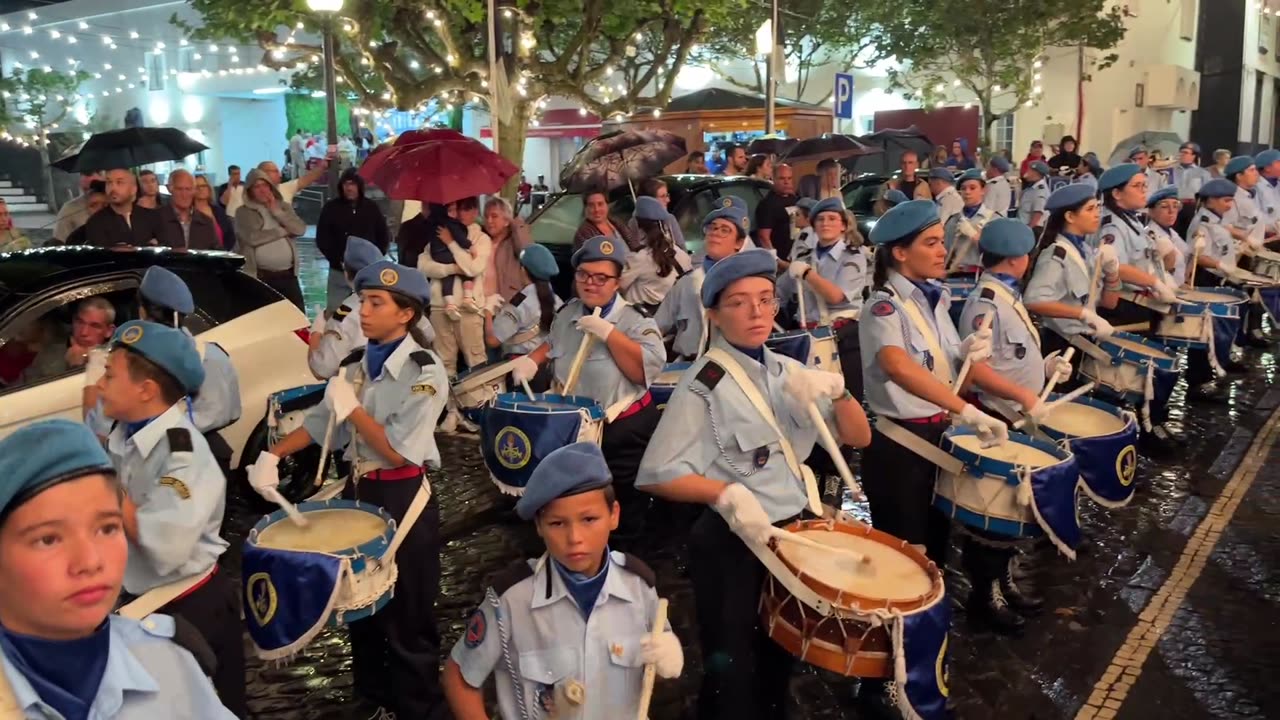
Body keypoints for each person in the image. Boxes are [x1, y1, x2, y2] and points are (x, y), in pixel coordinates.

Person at [637, 249, 869, 718]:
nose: (757, 312)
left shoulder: (787, 372)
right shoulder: (703, 383)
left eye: (765, 299)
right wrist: (723, 493)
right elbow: (656, 474)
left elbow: (858, 436)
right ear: (716, 315)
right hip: (734, 543)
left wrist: (839, 390)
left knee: (780, 649)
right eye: (740, 302)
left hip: (792, 535)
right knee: (730, 663)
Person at [251, 259, 448, 719]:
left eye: (376, 302)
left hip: (404, 497)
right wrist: (273, 455)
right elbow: (322, 425)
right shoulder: (353, 365)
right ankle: (373, 700)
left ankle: (418, 708)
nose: (364, 310)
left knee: (408, 615)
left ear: (406, 314)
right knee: (363, 610)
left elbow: (399, 451)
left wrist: (354, 410)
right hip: (360, 495)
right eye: (364, 300)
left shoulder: (425, 370)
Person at [858, 201, 1048, 649]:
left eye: (941, 241)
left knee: (936, 547)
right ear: (899, 253)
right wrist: (967, 410)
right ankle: (891, 658)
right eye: (931, 243)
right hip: (902, 449)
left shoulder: (934, 299)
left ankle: (926, 641)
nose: (943, 251)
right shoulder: (883, 307)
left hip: (935, 438)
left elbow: (937, 363)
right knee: (905, 555)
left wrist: (964, 353)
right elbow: (899, 366)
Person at [0, 419, 236, 719]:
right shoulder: (122, 439)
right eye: (48, 539)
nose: (90, 561)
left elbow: (172, 540)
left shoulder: (166, 662)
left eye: (107, 528)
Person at [443, 442, 682, 719]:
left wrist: (667, 659)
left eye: (589, 519)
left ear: (613, 515)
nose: (575, 538)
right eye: (557, 523)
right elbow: (459, 677)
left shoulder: (639, 586)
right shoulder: (511, 599)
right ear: (539, 526)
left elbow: (653, 669)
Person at [94, 320, 246, 716]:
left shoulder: (184, 452)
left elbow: (166, 541)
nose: (100, 386)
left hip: (187, 606)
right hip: (144, 599)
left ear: (146, 390)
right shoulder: (126, 434)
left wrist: (101, 480)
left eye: (110, 376)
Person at [956, 220, 1073, 632]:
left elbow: (1011, 357)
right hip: (996, 418)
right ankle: (984, 596)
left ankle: (1003, 583)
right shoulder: (986, 301)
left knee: (1011, 514)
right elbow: (974, 372)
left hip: (1016, 414)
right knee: (990, 516)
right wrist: (1025, 396)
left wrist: (1044, 369)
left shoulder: (1005, 295)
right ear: (1017, 259)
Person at [511, 236, 665, 493]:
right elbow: (553, 341)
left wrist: (609, 334)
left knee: (621, 502)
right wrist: (532, 360)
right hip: (574, 425)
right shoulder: (569, 311)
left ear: (617, 283)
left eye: (601, 278)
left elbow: (642, 373)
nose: (590, 283)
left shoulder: (636, 321)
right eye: (583, 275)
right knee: (577, 493)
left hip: (619, 429)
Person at [85, 267, 242, 469]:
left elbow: (99, 425)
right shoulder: (211, 356)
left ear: (141, 311)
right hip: (200, 458)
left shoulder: (122, 357)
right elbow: (229, 412)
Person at [777, 197, 867, 400]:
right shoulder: (805, 257)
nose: (826, 223)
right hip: (809, 338)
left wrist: (808, 274)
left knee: (847, 398)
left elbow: (836, 296)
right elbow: (780, 291)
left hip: (843, 337)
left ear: (843, 225)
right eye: (820, 219)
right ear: (813, 225)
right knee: (812, 401)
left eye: (832, 219)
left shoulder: (853, 256)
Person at [309, 235, 433, 379]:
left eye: (375, 304)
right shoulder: (401, 301)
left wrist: (316, 332)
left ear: (346, 271)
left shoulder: (345, 314)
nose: (364, 312)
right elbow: (428, 334)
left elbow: (321, 370)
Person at [1024, 184, 1123, 361]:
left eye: (1098, 208)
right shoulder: (1057, 254)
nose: (1097, 214)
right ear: (1070, 216)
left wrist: (1112, 273)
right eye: (1090, 209)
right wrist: (1083, 314)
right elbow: (1034, 301)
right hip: (1060, 345)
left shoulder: (1086, 251)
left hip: (1082, 343)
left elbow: (1110, 303)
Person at [656, 206, 749, 360]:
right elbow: (657, 327)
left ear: (738, 243)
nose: (716, 233)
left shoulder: (748, 283)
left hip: (735, 365)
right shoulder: (687, 283)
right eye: (712, 228)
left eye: (725, 230)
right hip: (689, 366)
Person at [1186, 179, 1252, 393]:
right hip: (1206, 279)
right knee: (1204, 332)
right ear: (1211, 201)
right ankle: (1199, 380)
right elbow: (1198, 255)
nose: (1229, 204)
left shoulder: (1216, 220)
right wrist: (1220, 265)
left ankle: (1220, 362)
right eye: (1225, 200)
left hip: (1219, 278)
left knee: (1218, 330)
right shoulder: (1202, 222)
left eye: (1231, 200)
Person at [417, 199, 491, 379]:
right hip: (440, 306)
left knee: (476, 361)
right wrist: (451, 269)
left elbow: (473, 268)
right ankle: (450, 406)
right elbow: (423, 265)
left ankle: (479, 404)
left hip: (469, 309)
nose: (458, 213)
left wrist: (451, 243)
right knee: (444, 362)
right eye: (453, 209)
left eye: (463, 209)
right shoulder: (440, 230)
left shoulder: (481, 238)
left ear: (474, 211)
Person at [316, 168, 392, 313]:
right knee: (334, 310)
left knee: (368, 309)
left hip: (367, 271)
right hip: (339, 270)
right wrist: (337, 260)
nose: (349, 188)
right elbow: (322, 239)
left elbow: (383, 236)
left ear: (359, 186)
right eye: (346, 184)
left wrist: (374, 258)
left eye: (352, 184)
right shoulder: (331, 208)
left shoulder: (371, 208)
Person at [234, 167, 308, 309]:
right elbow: (251, 238)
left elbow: (300, 229)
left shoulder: (283, 207)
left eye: (265, 185)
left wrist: (276, 212)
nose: (262, 190)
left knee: (297, 321)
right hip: (261, 277)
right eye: (257, 187)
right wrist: (282, 231)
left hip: (288, 276)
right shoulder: (243, 212)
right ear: (249, 191)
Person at [484, 244, 562, 380]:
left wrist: (488, 313)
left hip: (519, 372)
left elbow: (493, 340)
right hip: (549, 369)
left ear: (523, 270)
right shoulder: (558, 301)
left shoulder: (520, 302)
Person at [1222, 155, 1272, 348]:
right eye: (1251, 170)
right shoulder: (1232, 198)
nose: (1256, 173)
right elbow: (1225, 225)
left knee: (1251, 297)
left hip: (1252, 252)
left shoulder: (1247, 195)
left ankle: (1245, 334)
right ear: (1238, 175)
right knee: (1238, 300)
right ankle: (1234, 342)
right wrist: (1245, 238)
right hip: (1237, 256)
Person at [621, 196, 692, 313]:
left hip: (641, 318)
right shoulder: (679, 253)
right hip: (674, 316)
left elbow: (618, 285)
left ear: (638, 226)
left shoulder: (640, 258)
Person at [22, 297, 116, 383]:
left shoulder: (116, 360)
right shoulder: (50, 352)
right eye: (80, 322)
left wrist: (82, 362)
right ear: (73, 321)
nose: (84, 332)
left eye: (95, 326)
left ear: (109, 331)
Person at [83, 169, 166, 248]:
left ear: (134, 189)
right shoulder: (95, 222)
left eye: (119, 182)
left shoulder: (152, 217)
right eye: (109, 183)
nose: (113, 188)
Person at [944, 168, 999, 274]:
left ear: (983, 190)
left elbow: (996, 255)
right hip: (953, 275)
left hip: (979, 275)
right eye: (963, 189)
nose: (967, 192)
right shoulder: (953, 220)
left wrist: (975, 236)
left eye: (972, 188)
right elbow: (944, 251)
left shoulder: (994, 220)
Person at [481, 196, 535, 302]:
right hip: (481, 304)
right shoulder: (481, 239)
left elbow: (528, 253)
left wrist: (517, 225)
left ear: (506, 221)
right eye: (486, 216)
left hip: (507, 304)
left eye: (494, 216)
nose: (489, 221)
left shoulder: (513, 242)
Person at [158, 170, 220, 250]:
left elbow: (217, 253)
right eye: (179, 189)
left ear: (194, 191)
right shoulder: (157, 219)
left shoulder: (206, 222)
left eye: (188, 189)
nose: (184, 194)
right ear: (170, 189)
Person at [255, 147, 334, 206]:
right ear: (263, 174)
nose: (279, 174)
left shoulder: (286, 188)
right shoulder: (248, 194)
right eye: (275, 171)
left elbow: (307, 179)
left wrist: (323, 166)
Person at [572, 188, 638, 253]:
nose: (596, 209)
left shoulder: (616, 222)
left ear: (607, 206)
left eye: (600, 204)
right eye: (591, 205)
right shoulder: (583, 234)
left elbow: (634, 244)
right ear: (585, 208)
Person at [754, 163, 799, 259]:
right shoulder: (767, 204)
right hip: (781, 257)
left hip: (796, 254)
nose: (786, 182)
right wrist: (776, 261)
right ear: (773, 179)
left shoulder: (794, 198)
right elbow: (763, 237)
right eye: (782, 178)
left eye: (789, 178)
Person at [631, 177, 686, 251]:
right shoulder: (634, 223)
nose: (668, 200)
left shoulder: (669, 219)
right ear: (649, 201)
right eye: (663, 196)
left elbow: (682, 248)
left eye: (667, 195)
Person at [53, 171, 103, 243]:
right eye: (81, 174)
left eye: (88, 174)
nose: (83, 179)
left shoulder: (121, 206)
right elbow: (58, 243)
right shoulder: (70, 209)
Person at [194, 174, 236, 250]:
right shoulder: (188, 213)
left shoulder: (219, 211)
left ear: (209, 188)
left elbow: (230, 236)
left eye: (203, 186)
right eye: (197, 187)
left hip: (223, 255)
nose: (201, 189)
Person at [61, 181, 108, 246]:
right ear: (87, 209)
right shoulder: (76, 237)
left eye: (105, 205)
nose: (99, 209)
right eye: (93, 205)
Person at [1017, 161, 1051, 229]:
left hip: (1031, 229)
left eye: (1029, 170)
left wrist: (1028, 231)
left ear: (1036, 173)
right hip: (1023, 225)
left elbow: (1038, 214)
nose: (1027, 173)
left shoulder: (1040, 191)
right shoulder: (1032, 187)